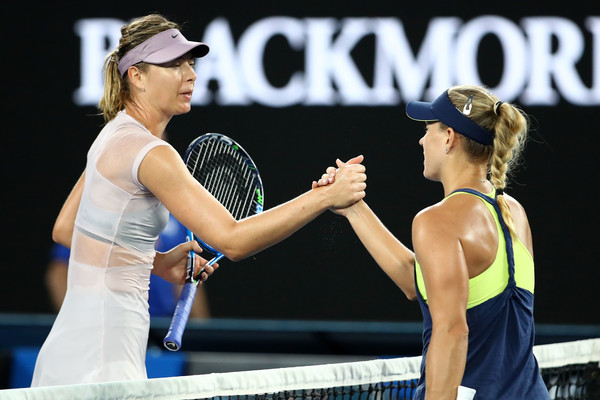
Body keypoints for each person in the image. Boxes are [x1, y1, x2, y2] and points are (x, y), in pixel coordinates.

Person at [32, 14, 366, 387]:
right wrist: (325, 197)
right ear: (137, 76)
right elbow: (234, 240)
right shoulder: (151, 153)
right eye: (173, 64)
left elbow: (65, 230)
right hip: (104, 361)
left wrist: (155, 263)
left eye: (190, 63)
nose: (190, 74)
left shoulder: (113, 134)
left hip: (67, 354)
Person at [315, 85, 549, 399]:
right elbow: (421, 282)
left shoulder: (437, 220)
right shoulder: (514, 212)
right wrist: (354, 208)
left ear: (449, 137)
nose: (422, 140)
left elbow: (452, 331)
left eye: (428, 130)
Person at [45, 214, 210, 318]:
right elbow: (59, 272)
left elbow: (184, 276)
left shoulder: (175, 217)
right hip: (108, 321)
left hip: (161, 325)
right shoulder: (102, 211)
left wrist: (200, 329)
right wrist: (77, 320)